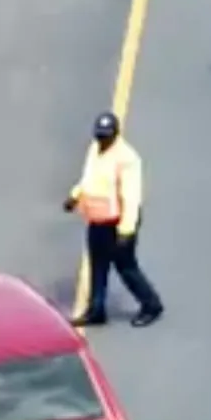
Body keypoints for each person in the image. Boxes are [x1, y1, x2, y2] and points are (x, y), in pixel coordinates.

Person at [62, 111, 164, 328]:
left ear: (115, 134)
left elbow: (131, 196)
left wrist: (126, 230)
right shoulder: (95, 149)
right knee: (97, 265)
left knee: (126, 267)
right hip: (97, 219)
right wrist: (75, 195)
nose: (102, 139)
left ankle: (151, 305)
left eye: (106, 136)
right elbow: (89, 178)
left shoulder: (127, 159)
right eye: (99, 135)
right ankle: (96, 310)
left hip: (118, 222)